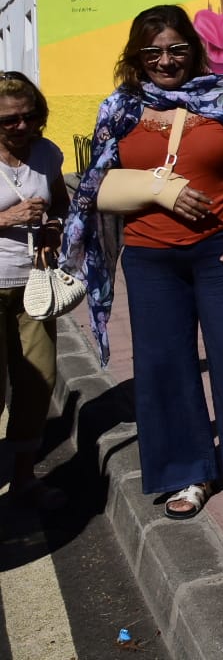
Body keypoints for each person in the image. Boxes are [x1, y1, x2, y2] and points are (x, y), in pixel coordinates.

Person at [62, 5, 223, 519]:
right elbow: (95, 182)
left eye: (177, 49)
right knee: (164, 365)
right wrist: (159, 192)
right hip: (149, 255)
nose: (166, 61)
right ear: (137, 56)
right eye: (153, 52)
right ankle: (187, 472)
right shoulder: (119, 108)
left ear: (193, 48)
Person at [0, 71, 71, 509]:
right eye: (9, 121)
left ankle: (24, 478)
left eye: (30, 117)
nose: (22, 127)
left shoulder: (47, 153)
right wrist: (7, 218)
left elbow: (61, 202)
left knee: (37, 382)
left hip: (34, 285)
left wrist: (53, 227)